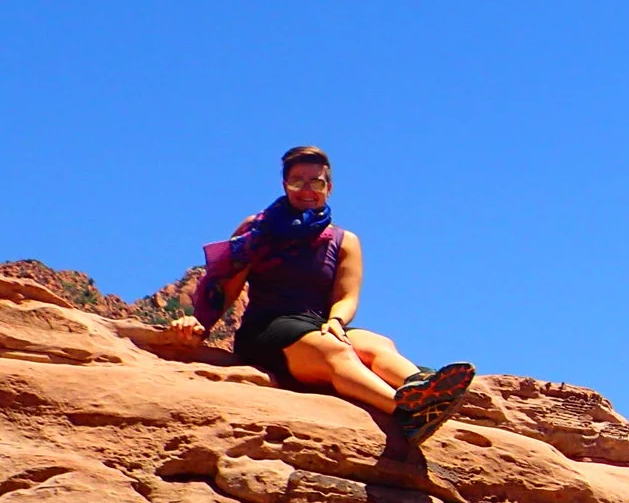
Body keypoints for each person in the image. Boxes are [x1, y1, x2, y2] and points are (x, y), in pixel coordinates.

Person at [173, 146, 474, 445]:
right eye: (297, 181)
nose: (307, 190)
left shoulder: (344, 241)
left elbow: (347, 297)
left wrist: (336, 321)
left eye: (315, 182)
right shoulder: (257, 229)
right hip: (267, 329)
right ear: (285, 185)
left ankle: (423, 388)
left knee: (376, 343)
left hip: (317, 324)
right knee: (335, 351)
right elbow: (225, 283)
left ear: (329, 188)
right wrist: (200, 323)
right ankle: (405, 413)